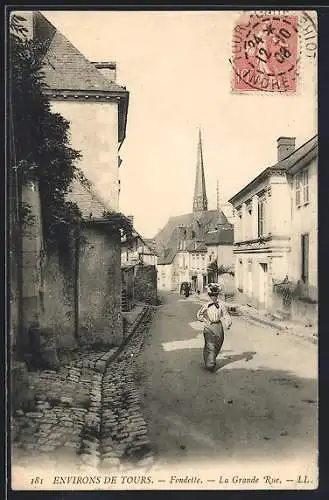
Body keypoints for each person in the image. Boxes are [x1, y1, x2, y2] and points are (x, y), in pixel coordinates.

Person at [196, 283, 232, 372]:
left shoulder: (222, 305)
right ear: (209, 296)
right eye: (212, 295)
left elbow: (226, 315)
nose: (214, 297)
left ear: (217, 295)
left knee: (218, 345)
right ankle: (210, 364)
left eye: (215, 295)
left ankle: (211, 359)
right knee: (210, 345)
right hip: (209, 326)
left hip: (218, 327)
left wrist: (228, 323)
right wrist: (204, 320)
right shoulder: (206, 305)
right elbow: (199, 314)